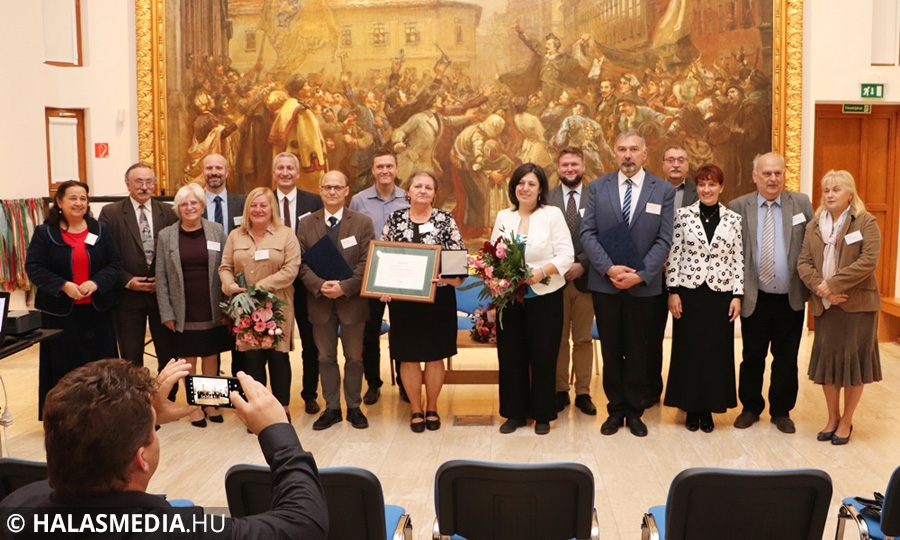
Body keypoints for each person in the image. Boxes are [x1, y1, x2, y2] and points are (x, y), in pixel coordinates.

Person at [0, 359, 329, 539]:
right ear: (141, 459)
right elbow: (304, 523)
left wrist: (141, 419)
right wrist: (276, 431)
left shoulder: (18, 506)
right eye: (151, 432)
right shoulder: (175, 531)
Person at [580, 131, 675, 437]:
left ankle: (634, 411)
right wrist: (609, 268)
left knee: (638, 350)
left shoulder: (662, 190)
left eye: (634, 149)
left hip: (643, 286)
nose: (628, 155)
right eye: (622, 149)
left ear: (645, 153)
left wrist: (640, 274)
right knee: (611, 349)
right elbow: (587, 234)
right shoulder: (598, 187)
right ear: (615, 153)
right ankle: (615, 410)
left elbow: (664, 239)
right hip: (606, 284)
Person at [728, 152, 814, 434]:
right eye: (767, 173)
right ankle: (750, 408)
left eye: (778, 173)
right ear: (755, 176)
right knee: (752, 356)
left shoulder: (800, 203)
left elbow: (814, 245)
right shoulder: (739, 206)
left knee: (786, 358)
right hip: (755, 296)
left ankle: (781, 411)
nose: (773, 178)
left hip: (790, 297)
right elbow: (731, 254)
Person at [797, 170, 882, 445]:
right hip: (826, 306)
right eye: (826, 190)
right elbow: (803, 262)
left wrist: (833, 284)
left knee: (854, 364)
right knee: (829, 365)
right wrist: (821, 288)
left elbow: (868, 261)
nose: (830, 195)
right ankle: (832, 417)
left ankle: (846, 421)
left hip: (857, 306)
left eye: (836, 190)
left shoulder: (865, 222)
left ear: (850, 194)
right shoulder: (814, 225)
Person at [24, 180, 122, 418]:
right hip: (60, 315)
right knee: (63, 368)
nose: (79, 203)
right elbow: (34, 267)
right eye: (73, 198)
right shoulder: (45, 233)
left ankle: (104, 415)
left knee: (100, 368)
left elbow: (115, 263)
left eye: (83, 198)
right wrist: (63, 286)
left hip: (97, 313)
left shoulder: (100, 230)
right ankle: (64, 417)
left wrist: (96, 283)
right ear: (59, 202)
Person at [492, 163, 574, 435]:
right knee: (510, 356)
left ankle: (542, 415)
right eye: (520, 183)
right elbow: (494, 255)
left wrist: (541, 272)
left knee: (543, 356)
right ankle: (514, 414)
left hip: (545, 296)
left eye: (531, 184)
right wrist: (495, 279)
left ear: (540, 190)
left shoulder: (552, 215)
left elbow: (566, 256)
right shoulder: (504, 216)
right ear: (513, 187)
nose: (525, 188)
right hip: (510, 298)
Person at [380, 171, 465, 432]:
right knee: (408, 356)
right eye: (418, 186)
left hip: (438, 298)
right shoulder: (394, 219)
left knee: (435, 356)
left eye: (428, 187)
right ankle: (416, 408)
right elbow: (383, 256)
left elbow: (457, 260)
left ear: (434, 193)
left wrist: (448, 278)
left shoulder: (445, 219)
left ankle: (432, 407)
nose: (423, 190)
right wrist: (383, 286)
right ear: (408, 191)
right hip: (404, 301)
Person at [664, 164, 744, 432]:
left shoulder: (733, 219)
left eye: (712, 184)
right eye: (701, 184)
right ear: (696, 187)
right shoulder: (682, 216)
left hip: (720, 295)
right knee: (689, 351)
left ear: (721, 187)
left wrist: (738, 294)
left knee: (715, 352)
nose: (706, 189)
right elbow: (674, 254)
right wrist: (673, 291)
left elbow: (738, 258)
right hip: (689, 293)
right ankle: (690, 407)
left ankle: (709, 408)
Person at [298, 171, 374, 431]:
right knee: (325, 357)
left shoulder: (362, 222)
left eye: (337, 187)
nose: (332, 191)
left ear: (346, 191)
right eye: (327, 187)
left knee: (354, 357)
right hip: (319, 302)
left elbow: (367, 261)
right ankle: (332, 408)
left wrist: (344, 287)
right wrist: (319, 286)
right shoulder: (306, 224)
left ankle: (354, 407)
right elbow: (301, 263)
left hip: (352, 302)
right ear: (320, 190)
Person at [219, 187, 300, 420]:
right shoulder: (236, 236)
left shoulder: (286, 234)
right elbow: (225, 267)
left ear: (272, 208)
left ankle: (282, 409)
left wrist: (259, 287)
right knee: (252, 359)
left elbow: (291, 269)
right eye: (253, 205)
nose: (258, 210)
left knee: (278, 358)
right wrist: (230, 286)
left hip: (278, 306)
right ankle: (258, 411)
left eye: (263, 205)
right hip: (245, 307)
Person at [156, 183, 230, 427]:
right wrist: (166, 311)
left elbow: (226, 266)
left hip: (212, 305)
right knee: (188, 361)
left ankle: (211, 402)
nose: (189, 207)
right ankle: (194, 407)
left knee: (211, 356)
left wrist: (227, 304)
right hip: (183, 308)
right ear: (178, 208)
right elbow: (161, 277)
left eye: (194, 202)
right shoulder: (166, 235)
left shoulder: (216, 230)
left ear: (202, 205)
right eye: (184, 204)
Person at [99, 163, 179, 372]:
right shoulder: (111, 213)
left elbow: (176, 251)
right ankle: (134, 393)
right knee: (130, 358)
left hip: (162, 297)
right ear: (128, 184)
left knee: (168, 355)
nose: (144, 187)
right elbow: (104, 254)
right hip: (127, 297)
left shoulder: (169, 212)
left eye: (149, 182)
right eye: (139, 182)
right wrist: (126, 280)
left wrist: (164, 281)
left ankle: (168, 392)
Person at [349, 149, 410, 405]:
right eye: (380, 166)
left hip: (402, 276)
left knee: (403, 331)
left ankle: (406, 383)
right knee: (369, 332)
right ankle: (373, 383)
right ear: (373, 170)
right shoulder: (358, 200)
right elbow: (352, 237)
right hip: (370, 276)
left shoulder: (408, 198)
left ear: (396, 169)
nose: (385, 170)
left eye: (389, 166)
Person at [646, 145, 699, 407]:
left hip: (688, 277)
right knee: (651, 337)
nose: (676, 164)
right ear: (663, 164)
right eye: (671, 160)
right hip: (655, 275)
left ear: (688, 164)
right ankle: (651, 390)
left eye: (681, 160)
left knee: (687, 338)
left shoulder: (699, 192)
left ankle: (685, 393)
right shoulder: (651, 190)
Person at [273, 152, 325, 415]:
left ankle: (310, 394)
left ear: (297, 172)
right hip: (274, 284)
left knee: (310, 342)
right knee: (276, 342)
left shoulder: (314, 201)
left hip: (306, 282)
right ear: (274, 173)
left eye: (289, 168)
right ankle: (276, 399)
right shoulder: (264, 201)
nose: (285, 172)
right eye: (280, 168)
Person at [546, 147, 596, 416]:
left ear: (583, 166)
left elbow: (602, 236)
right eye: (565, 164)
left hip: (586, 280)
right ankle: (560, 390)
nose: (570, 169)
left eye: (574, 164)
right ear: (558, 168)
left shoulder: (596, 196)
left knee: (583, 339)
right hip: (554, 280)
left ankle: (583, 392)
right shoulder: (546, 198)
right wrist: (561, 265)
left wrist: (583, 264)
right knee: (558, 339)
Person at [200, 153, 248, 376]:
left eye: (218, 168)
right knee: (211, 342)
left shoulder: (243, 203)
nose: (214, 172)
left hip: (239, 280)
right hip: (205, 280)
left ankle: (240, 386)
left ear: (227, 172)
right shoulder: (194, 204)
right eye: (209, 168)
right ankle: (215, 387)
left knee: (240, 340)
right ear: (203, 172)